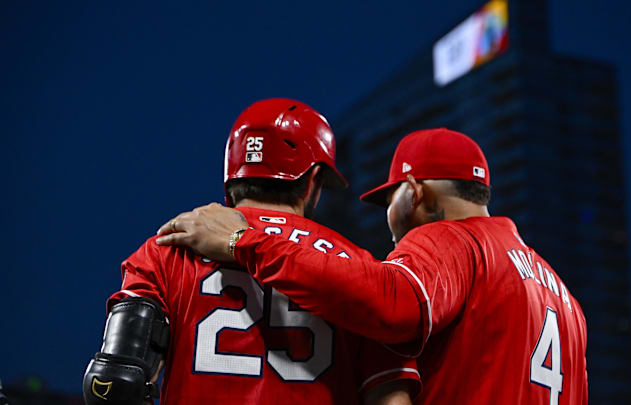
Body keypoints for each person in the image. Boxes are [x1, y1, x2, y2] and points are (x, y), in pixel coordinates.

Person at [157, 128, 589, 404]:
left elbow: (390, 304)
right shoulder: (565, 300)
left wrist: (243, 241)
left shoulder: (451, 239)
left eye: (389, 199)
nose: (388, 215)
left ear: (414, 192)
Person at [83, 99, 420, 405]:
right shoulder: (360, 267)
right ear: (313, 179)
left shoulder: (167, 247)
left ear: (232, 174)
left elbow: (114, 382)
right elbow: (390, 398)